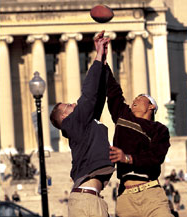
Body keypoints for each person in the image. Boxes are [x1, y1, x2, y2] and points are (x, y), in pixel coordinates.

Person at [104, 41, 173, 216]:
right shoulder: (123, 116)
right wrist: (102, 60)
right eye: (134, 98)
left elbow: (155, 157)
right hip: (126, 197)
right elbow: (113, 91)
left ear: (151, 106)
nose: (134, 100)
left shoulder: (159, 130)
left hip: (152, 194)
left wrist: (127, 158)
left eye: (140, 98)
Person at [49, 31, 113, 217]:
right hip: (87, 200)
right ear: (63, 117)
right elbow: (89, 93)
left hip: (90, 199)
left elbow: (98, 96)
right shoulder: (73, 123)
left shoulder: (84, 126)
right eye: (69, 106)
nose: (75, 104)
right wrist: (98, 55)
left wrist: (103, 61)